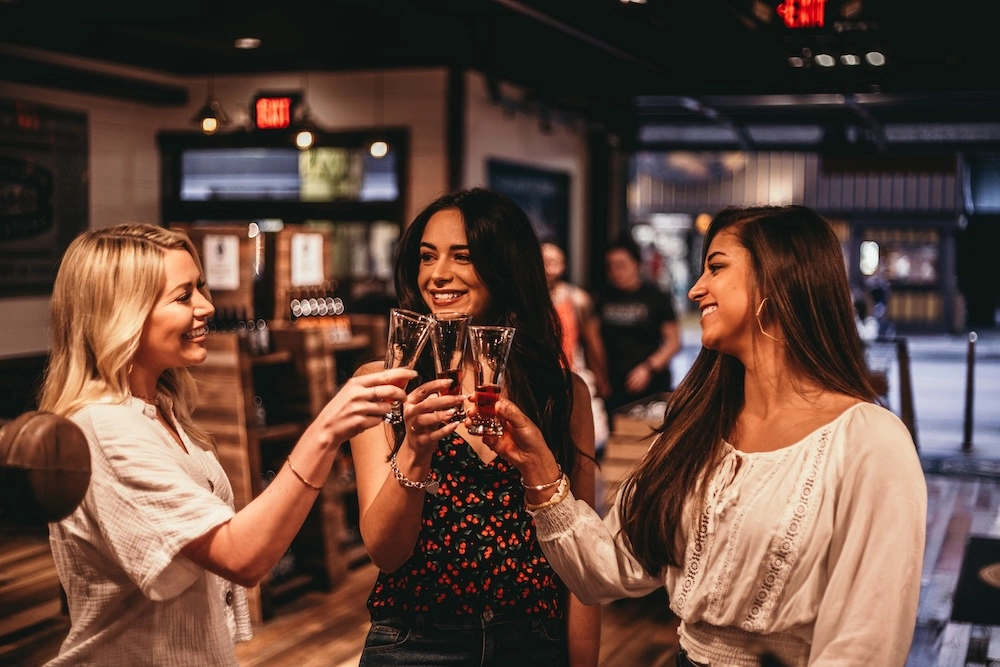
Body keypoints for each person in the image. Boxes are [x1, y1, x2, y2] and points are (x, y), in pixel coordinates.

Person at [477, 205, 927, 666]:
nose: (696, 289)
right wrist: (539, 468)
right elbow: (604, 570)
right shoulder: (698, 428)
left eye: (716, 267)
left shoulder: (869, 440)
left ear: (778, 279)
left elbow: (866, 643)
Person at [39, 223, 415, 665]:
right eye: (183, 296)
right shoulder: (103, 429)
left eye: (200, 288)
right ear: (121, 313)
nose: (206, 306)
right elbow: (241, 556)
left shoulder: (158, 407)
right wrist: (326, 431)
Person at [350, 188, 601, 666]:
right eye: (426, 257)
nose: (437, 274)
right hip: (417, 641)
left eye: (461, 256)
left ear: (505, 267)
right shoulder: (382, 384)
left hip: (533, 639)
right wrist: (415, 450)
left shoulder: (562, 393)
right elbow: (386, 552)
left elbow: (580, 560)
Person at [541, 240, 611, 461]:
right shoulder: (530, 299)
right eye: (544, 262)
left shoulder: (577, 299)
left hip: (574, 372)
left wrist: (601, 378)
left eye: (554, 262)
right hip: (542, 375)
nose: (549, 268)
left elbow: (593, 342)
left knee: (594, 434)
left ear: (564, 266)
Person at [596, 236, 681, 415]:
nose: (615, 271)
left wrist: (648, 368)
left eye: (621, 265)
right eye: (610, 266)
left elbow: (673, 342)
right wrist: (600, 376)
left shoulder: (656, 297)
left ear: (636, 264)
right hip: (612, 387)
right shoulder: (602, 297)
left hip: (650, 386)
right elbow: (594, 341)